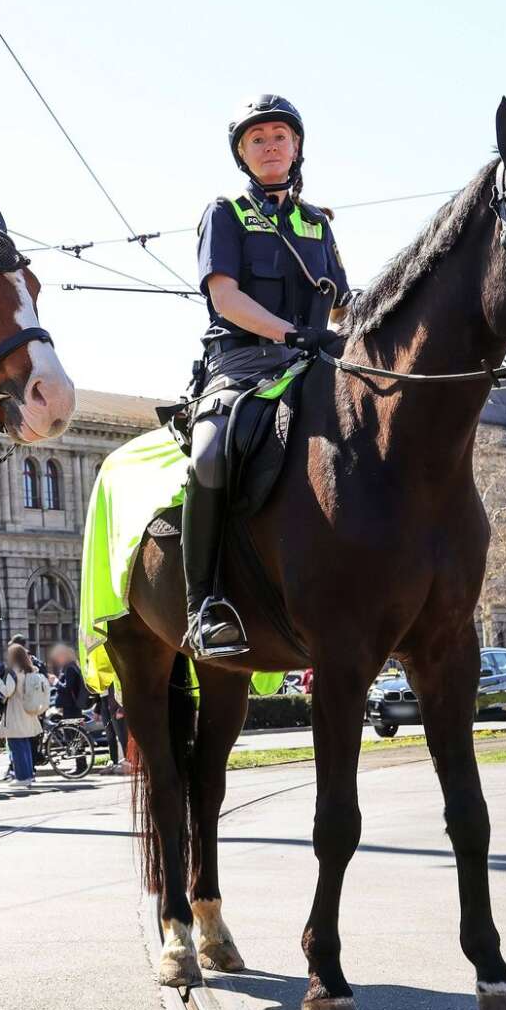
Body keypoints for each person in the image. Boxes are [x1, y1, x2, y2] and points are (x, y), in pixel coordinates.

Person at [185, 96, 350, 659]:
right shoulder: (224, 213)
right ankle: (202, 605)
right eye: (258, 139)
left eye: (280, 135)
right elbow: (224, 297)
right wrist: (288, 332)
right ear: (243, 153)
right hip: (242, 365)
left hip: (314, 363)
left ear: (297, 146)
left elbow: (346, 305)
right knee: (209, 456)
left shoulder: (316, 224)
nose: (271, 145)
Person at [0, 643, 50, 786]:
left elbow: (7, 692)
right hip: (28, 713)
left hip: (15, 714)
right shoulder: (30, 670)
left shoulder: (13, 671)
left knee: (16, 746)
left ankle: (22, 778)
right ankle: (28, 775)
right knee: (25, 746)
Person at [49, 643, 89, 721]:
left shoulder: (70, 668)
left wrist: (55, 682)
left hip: (71, 707)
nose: (57, 659)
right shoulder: (72, 667)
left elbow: (67, 688)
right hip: (73, 706)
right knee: (73, 730)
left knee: (70, 730)